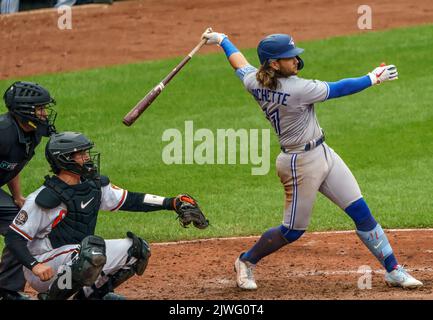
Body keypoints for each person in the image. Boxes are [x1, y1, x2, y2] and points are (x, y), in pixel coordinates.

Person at [201, 30, 423, 290]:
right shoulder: (298, 89)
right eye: (289, 57)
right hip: (299, 165)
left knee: (361, 212)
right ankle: (246, 261)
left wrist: (222, 40)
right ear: (274, 64)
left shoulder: (254, 81)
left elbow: (239, 64)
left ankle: (393, 270)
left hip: (323, 153)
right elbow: (339, 88)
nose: (296, 60)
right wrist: (374, 77)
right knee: (292, 231)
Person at [4, 131, 208, 300]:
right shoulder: (44, 198)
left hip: (74, 257)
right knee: (90, 252)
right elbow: (14, 237)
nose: (88, 158)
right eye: (81, 154)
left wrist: (171, 202)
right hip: (44, 267)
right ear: (65, 159)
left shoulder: (93, 186)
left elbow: (131, 200)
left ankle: (91, 295)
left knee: (137, 250)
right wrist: (35, 265)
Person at [0, 81, 57, 300]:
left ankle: (6, 290)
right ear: (24, 110)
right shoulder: (3, 132)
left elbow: (13, 165)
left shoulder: (32, 134)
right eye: (40, 109)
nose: (44, 113)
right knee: (19, 227)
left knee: (20, 227)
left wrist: (17, 197)